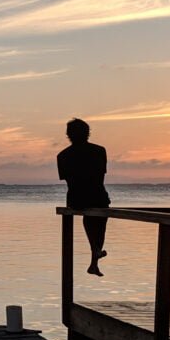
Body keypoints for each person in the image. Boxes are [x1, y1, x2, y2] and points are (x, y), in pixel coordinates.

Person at [56, 118, 110, 276]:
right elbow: (100, 177)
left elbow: (68, 180)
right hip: (97, 196)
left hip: (75, 198)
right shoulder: (99, 151)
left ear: (68, 135)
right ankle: (95, 254)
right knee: (99, 220)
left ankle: (95, 258)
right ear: (88, 133)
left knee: (88, 218)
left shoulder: (63, 155)